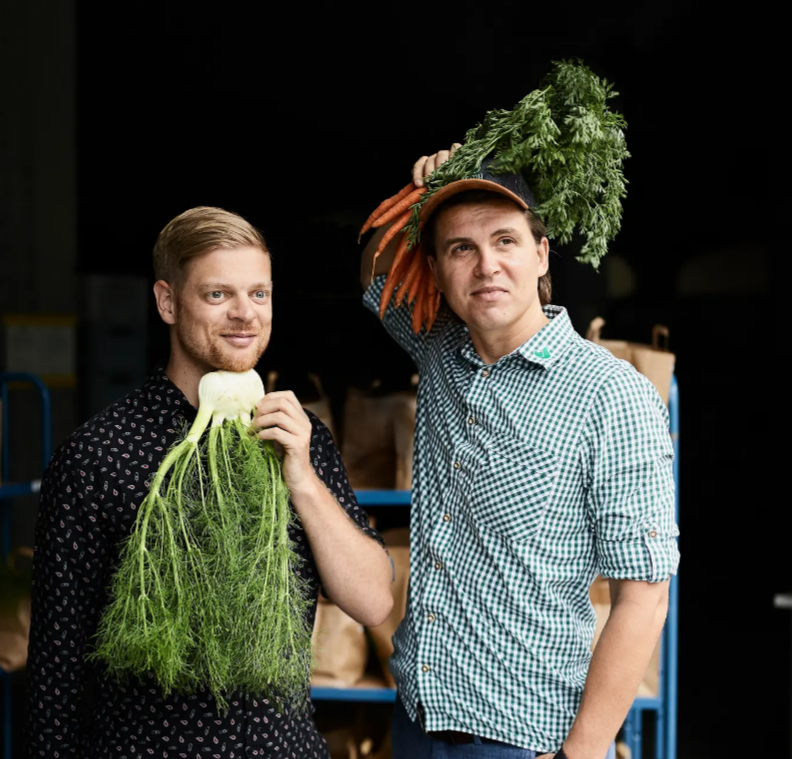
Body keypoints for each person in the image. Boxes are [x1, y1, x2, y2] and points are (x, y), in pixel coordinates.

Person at [26, 206, 394, 759]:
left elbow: (370, 600)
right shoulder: (96, 455)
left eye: (260, 294)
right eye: (218, 295)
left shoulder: (301, 434)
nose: (246, 314)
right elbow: (56, 671)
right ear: (167, 302)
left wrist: (302, 478)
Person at [360, 148, 680, 759]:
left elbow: (645, 596)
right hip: (416, 720)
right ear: (436, 268)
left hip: (523, 740)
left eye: (505, 241)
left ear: (540, 255)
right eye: (461, 249)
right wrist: (413, 201)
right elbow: (373, 276)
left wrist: (581, 753)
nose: (486, 266)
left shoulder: (611, 396)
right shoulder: (437, 348)